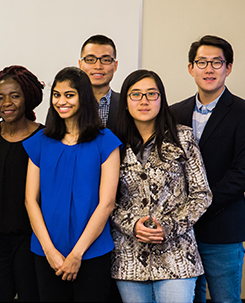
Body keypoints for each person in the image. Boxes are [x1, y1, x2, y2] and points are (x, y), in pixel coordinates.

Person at [111, 69, 212, 302]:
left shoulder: (183, 137)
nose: (144, 101)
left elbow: (201, 194)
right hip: (129, 257)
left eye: (151, 94)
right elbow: (105, 199)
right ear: (125, 102)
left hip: (176, 255)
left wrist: (168, 226)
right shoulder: (113, 143)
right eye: (135, 94)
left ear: (161, 99)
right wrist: (131, 224)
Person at [23, 67, 120, 302]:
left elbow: (106, 204)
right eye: (56, 94)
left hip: (92, 251)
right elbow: (30, 200)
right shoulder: (40, 141)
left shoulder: (106, 141)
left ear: (83, 97)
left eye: (69, 95)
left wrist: (77, 254)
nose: (61, 101)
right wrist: (49, 251)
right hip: (47, 252)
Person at [170, 35, 245, 303]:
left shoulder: (242, 112)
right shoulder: (173, 113)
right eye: (202, 62)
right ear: (191, 68)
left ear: (229, 67)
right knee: (189, 300)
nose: (209, 69)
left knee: (226, 299)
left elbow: (241, 174)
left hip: (222, 228)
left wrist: (200, 206)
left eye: (217, 62)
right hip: (180, 232)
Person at [0, 65, 43, 302]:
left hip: (30, 238)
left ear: (28, 98)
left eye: (14, 96)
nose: (6, 102)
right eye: (0, 98)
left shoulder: (44, 138)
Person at [78, 34, 120, 130]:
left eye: (105, 60)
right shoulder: (65, 104)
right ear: (80, 65)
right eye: (90, 60)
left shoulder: (126, 104)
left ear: (115, 65)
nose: (98, 66)